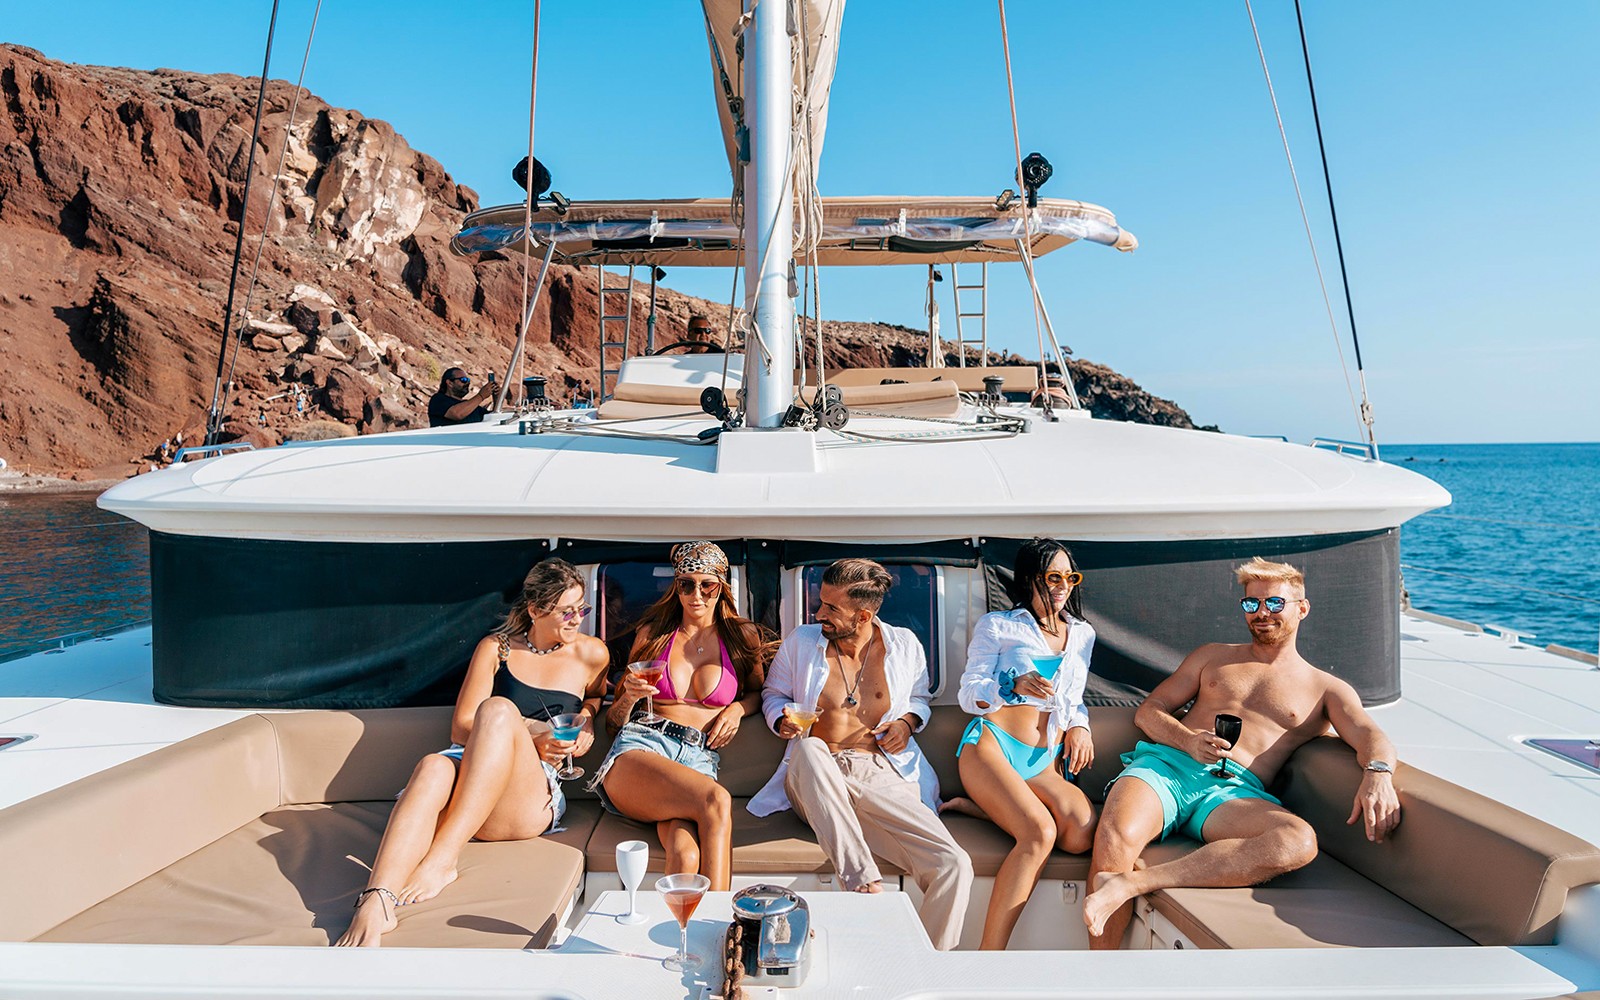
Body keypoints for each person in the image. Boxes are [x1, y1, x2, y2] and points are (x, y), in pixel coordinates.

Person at [1082, 556, 1402, 948]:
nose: (1261, 613)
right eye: (1252, 603)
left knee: (1298, 841)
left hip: (1232, 795)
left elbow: (1370, 733)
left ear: (1302, 608)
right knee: (1115, 837)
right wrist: (1187, 740)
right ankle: (1101, 971)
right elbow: (1150, 711)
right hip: (1168, 767)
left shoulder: (1326, 688)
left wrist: (1378, 774)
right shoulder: (1212, 656)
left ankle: (1135, 883)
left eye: (1274, 603)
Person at [335, 558, 608, 947]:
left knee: (497, 710)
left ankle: (443, 858)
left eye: (582, 608)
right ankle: (376, 900)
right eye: (567, 611)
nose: (577, 618)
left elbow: (595, 695)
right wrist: (531, 731)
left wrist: (588, 719)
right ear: (535, 610)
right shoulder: (496, 649)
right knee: (434, 763)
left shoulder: (592, 653)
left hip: (526, 794)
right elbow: (462, 727)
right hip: (469, 770)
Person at [753, 558, 974, 951]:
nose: (819, 614)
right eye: (820, 603)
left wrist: (907, 723)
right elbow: (774, 694)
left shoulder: (904, 645)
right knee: (810, 747)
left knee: (954, 865)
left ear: (863, 616)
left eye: (831, 608)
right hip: (814, 775)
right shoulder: (802, 642)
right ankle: (861, 881)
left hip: (879, 772)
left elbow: (919, 698)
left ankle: (926, 967)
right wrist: (779, 719)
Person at [946, 538, 1098, 950]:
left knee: (1081, 834)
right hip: (992, 746)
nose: (1062, 585)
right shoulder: (999, 625)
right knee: (1039, 833)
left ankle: (985, 809)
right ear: (1031, 578)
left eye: (1070, 577)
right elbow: (968, 694)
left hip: (1042, 759)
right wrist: (1010, 686)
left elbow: (1074, 699)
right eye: (1053, 577)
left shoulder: (1083, 634)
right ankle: (989, 956)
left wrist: (1080, 726)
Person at [590, 541, 769, 892]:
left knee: (686, 856)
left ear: (722, 587)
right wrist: (629, 696)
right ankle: (721, 919)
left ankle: (680, 926)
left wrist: (737, 709)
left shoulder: (741, 637)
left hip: (698, 759)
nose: (696, 595)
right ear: (676, 587)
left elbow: (756, 694)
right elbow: (613, 723)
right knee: (717, 799)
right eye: (686, 584)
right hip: (643, 748)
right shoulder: (654, 635)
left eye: (707, 585)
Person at [427, 367, 496, 427]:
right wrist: (481, 396)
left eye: (468, 380)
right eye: (463, 380)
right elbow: (457, 414)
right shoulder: (438, 399)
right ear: (450, 383)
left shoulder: (472, 406)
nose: (467, 383)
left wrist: (496, 397)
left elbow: (493, 417)